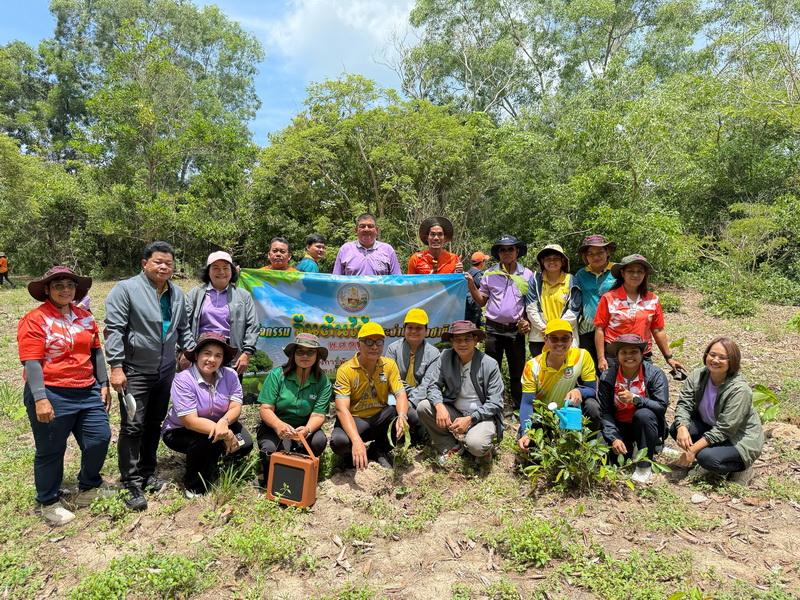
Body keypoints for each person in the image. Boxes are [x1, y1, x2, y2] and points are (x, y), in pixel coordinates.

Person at [17, 267, 112, 525]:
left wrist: (103, 384)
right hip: (52, 391)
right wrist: (40, 398)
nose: (65, 289)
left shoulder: (85, 317)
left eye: (69, 284)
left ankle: (89, 487)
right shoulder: (35, 319)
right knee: (51, 449)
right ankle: (48, 501)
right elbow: (32, 362)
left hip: (87, 388)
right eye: (58, 285)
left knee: (99, 438)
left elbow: (96, 353)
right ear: (47, 290)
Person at [104, 241, 194, 511]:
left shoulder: (177, 294)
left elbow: (183, 328)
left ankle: (147, 471)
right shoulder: (126, 290)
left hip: (165, 370)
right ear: (145, 263)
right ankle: (130, 481)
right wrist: (116, 367)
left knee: (154, 422)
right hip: (134, 370)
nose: (164, 266)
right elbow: (115, 330)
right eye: (158, 262)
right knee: (133, 426)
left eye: (168, 263)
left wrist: (190, 353)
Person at [161, 333, 253, 496]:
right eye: (207, 353)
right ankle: (194, 487)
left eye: (218, 355)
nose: (212, 359)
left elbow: (236, 407)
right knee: (205, 441)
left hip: (221, 423)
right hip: (181, 430)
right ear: (196, 355)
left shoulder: (230, 375)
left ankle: (218, 460)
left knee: (244, 443)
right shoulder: (183, 379)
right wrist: (225, 434)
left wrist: (224, 423)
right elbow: (190, 422)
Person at [671, 337, 764, 484]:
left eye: (722, 357)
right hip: (711, 426)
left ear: (732, 361)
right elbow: (684, 403)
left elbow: (725, 429)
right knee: (677, 429)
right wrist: (682, 426)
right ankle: (705, 456)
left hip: (738, 438)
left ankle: (740, 468)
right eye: (712, 354)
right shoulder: (698, 376)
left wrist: (692, 450)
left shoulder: (739, 390)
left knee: (706, 458)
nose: (715, 360)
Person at [417, 321, 504, 466]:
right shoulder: (445, 357)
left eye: (467, 339)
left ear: (476, 340)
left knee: (476, 445)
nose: (462, 344)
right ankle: (451, 445)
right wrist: (439, 406)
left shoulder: (489, 364)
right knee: (423, 407)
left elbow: (495, 402)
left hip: (481, 416)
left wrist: (470, 418)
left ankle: (483, 449)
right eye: (457, 339)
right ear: (451, 341)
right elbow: (433, 385)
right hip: (455, 411)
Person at [465, 235, 533, 409]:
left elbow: (530, 303)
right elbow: (482, 301)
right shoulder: (490, 274)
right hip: (493, 328)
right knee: (491, 368)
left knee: (517, 369)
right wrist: (472, 285)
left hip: (515, 330)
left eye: (511, 248)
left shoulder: (527, 274)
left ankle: (519, 406)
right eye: (502, 249)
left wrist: (526, 321)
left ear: (517, 251)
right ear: (498, 253)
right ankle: (494, 404)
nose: (507, 252)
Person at [331, 322, 409, 469]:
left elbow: (401, 394)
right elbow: (341, 409)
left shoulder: (389, 365)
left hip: (379, 417)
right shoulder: (345, 370)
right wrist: (356, 440)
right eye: (369, 342)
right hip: (355, 420)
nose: (374, 346)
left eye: (379, 342)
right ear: (358, 345)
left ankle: (378, 450)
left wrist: (402, 417)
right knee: (339, 442)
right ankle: (352, 457)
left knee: (401, 416)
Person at [593, 254, 686, 374]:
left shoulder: (653, 299)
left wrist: (669, 357)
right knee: (614, 390)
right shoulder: (609, 298)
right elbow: (600, 329)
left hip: (642, 354)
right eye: (630, 271)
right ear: (623, 273)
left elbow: (658, 330)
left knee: (642, 389)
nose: (635, 275)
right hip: (614, 355)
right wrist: (601, 358)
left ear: (644, 274)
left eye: (640, 271)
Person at [597, 334, 670, 484]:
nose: (629, 356)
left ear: (642, 354)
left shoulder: (655, 374)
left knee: (643, 414)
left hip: (645, 424)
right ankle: (634, 446)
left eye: (634, 352)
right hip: (620, 425)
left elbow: (661, 407)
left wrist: (636, 399)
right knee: (608, 458)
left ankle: (644, 465)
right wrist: (614, 437)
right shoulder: (608, 377)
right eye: (624, 352)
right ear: (617, 356)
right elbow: (606, 411)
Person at [256, 333, 331, 476]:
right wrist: (279, 425)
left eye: (310, 352)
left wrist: (307, 430)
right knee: (270, 450)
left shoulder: (323, 381)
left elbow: (318, 414)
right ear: (293, 354)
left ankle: (303, 469)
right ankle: (266, 473)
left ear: (317, 356)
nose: (305, 356)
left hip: (304, 427)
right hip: (275, 426)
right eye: (300, 351)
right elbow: (266, 409)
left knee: (319, 441)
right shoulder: (277, 375)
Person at [517, 319, 600, 443]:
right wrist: (526, 432)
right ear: (546, 340)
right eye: (554, 339)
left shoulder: (582, 356)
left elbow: (592, 389)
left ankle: (587, 447)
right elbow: (527, 403)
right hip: (544, 416)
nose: (560, 343)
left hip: (569, 411)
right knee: (531, 446)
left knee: (592, 406)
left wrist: (579, 391)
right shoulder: (532, 366)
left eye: (565, 338)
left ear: (572, 339)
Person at [185, 251, 259, 376]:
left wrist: (246, 353)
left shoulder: (243, 296)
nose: (221, 272)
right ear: (208, 271)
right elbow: (182, 324)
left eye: (226, 268)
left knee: (229, 394)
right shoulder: (195, 294)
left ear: (232, 271)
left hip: (231, 356)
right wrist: (185, 351)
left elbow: (253, 325)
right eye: (216, 268)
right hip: (201, 353)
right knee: (199, 392)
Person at [385, 308, 441, 441]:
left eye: (419, 328)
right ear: (404, 329)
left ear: (426, 331)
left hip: (420, 398)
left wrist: (409, 403)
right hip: (395, 395)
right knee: (390, 410)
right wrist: (403, 397)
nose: (414, 331)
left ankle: (419, 434)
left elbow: (427, 384)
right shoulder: (393, 349)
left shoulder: (434, 354)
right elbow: (392, 379)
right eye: (410, 327)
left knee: (417, 414)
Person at [526, 244, 581, 359]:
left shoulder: (571, 280)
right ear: (542, 261)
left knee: (567, 374)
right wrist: (545, 329)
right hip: (539, 337)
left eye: (556, 258)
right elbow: (531, 307)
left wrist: (556, 331)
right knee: (541, 373)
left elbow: (574, 310)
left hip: (565, 337)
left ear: (563, 261)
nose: (552, 261)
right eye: (548, 259)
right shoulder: (535, 280)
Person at [574, 235, 617, 370]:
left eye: (600, 252)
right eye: (590, 254)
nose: (595, 257)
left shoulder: (617, 271)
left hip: (612, 328)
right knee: (589, 367)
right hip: (588, 327)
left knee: (611, 367)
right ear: (585, 257)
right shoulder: (581, 274)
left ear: (607, 252)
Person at [332, 213, 401, 276]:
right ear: (356, 230)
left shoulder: (388, 250)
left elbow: (397, 280)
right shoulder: (345, 249)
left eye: (370, 226)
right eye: (362, 226)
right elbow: (336, 279)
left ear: (376, 230)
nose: (366, 229)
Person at [464, 251, 489, 327]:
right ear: (482, 262)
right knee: (473, 328)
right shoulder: (479, 274)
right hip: (473, 306)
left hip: (466, 305)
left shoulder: (468, 272)